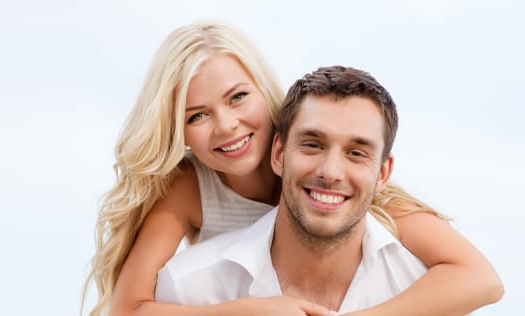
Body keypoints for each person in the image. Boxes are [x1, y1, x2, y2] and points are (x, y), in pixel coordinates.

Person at [83, 21, 503, 316]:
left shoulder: (344, 184)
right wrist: (249, 311)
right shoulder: (192, 189)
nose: (227, 126)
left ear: (266, 94)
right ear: (180, 135)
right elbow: (128, 308)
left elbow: (481, 279)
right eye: (196, 116)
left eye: (237, 98)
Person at [157, 65, 431, 313]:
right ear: (278, 153)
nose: (330, 172)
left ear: (383, 173)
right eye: (312, 144)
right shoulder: (187, 290)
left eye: (356, 153)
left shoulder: (421, 288)